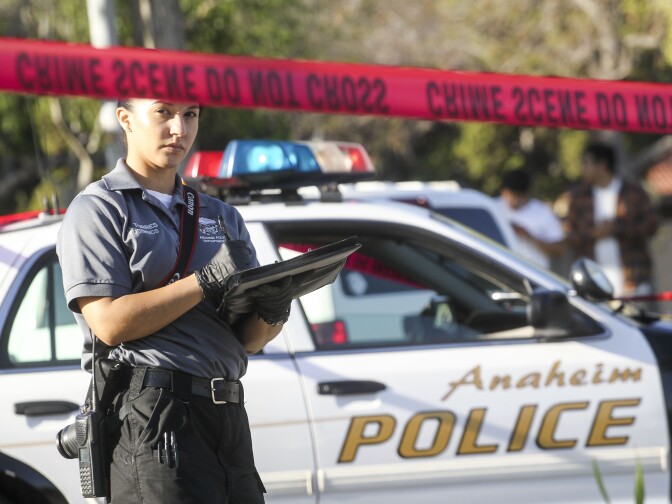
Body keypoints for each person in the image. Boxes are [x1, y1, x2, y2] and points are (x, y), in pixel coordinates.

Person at [56, 98, 290, 503]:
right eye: (163, 112)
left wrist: (275, 305)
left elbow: (247, 340)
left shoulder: (221, 216)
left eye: (190, 114)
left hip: (227, 412)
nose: (179, 129)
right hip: (153, 413)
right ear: (125, 119)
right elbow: (110, 324)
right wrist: (205, 279)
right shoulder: (99, 208)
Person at [564, 141, 658, 298]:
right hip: (595, 287)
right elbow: (569, 235)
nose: (583, 169)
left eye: (587, 163)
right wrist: (594, 233)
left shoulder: (633, 191)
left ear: (602, 165)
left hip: (634, 282)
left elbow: (651, 225)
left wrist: (617, 228)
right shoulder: (579, 198)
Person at [497, 168, 565, 270]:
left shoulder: (542, 212)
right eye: (511, 195)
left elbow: (559, 248)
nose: (515, 200)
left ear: (527, 193)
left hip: (534, 275)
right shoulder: (493, 207)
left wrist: (529, 237)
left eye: (519, 196)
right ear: (503, 192)